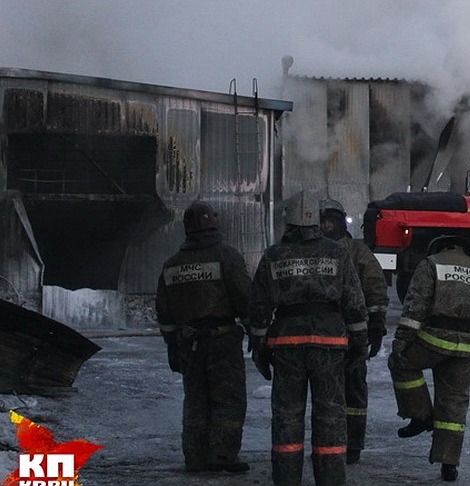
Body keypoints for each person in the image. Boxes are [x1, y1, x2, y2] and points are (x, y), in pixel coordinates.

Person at [250, 191, 369, 486]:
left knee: (287, 416)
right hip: (329, 343)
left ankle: (287, 479)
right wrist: (359, 342)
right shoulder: (337, 252)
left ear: (287, 221)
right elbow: (354, 301)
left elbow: (260, 306)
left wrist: (259, 347)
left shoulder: (273, 255)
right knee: (331, 415)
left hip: (287, 345)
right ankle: (330, 479)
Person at [389, 235, 470, 482]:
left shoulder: (431, 264)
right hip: (468, 348)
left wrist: (402, 341)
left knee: (401, 363)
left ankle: (420, 415)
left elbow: (416, 306)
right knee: (454, 403)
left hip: (434, 340)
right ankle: (449, 463)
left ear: (438, 247)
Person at [155, 200, 252, 473]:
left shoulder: (172, 264)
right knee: (228, 400)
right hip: (222, 341)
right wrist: (257, 335)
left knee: (195, 400)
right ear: (214, 223)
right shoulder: (227, 256)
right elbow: (245, 298)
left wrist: (172, 348)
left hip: (188, 344)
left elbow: (164, 313)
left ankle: (194, 458)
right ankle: (222, 457)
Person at [319, 198, 389, 464]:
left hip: (352, 335)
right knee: (325, 392)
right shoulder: (312, 250)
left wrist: (377, 325)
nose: (326, 226)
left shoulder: (358, 252)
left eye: (331, 221)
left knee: (354, 390)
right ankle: (327, 443)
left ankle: (353, 444)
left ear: (341, 223)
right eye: (322, 221)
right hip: (322, 334)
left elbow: (375, 287)